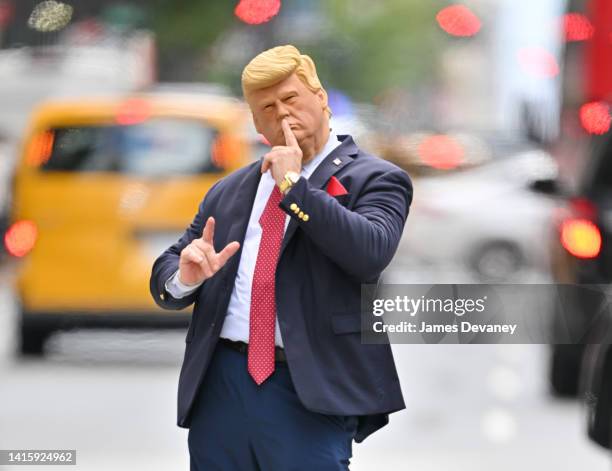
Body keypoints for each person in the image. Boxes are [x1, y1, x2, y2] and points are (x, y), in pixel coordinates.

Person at [150, 44, 413, 470]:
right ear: (256, 124)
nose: (283, 114)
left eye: (291, 99)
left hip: (307, 385)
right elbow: (171, 264)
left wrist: (294, 187)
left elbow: (369, 252)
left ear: (321, 97)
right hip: (222, 383)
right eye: (267, 108)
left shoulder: (375, 178)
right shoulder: (231, 189)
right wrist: (186, 276)